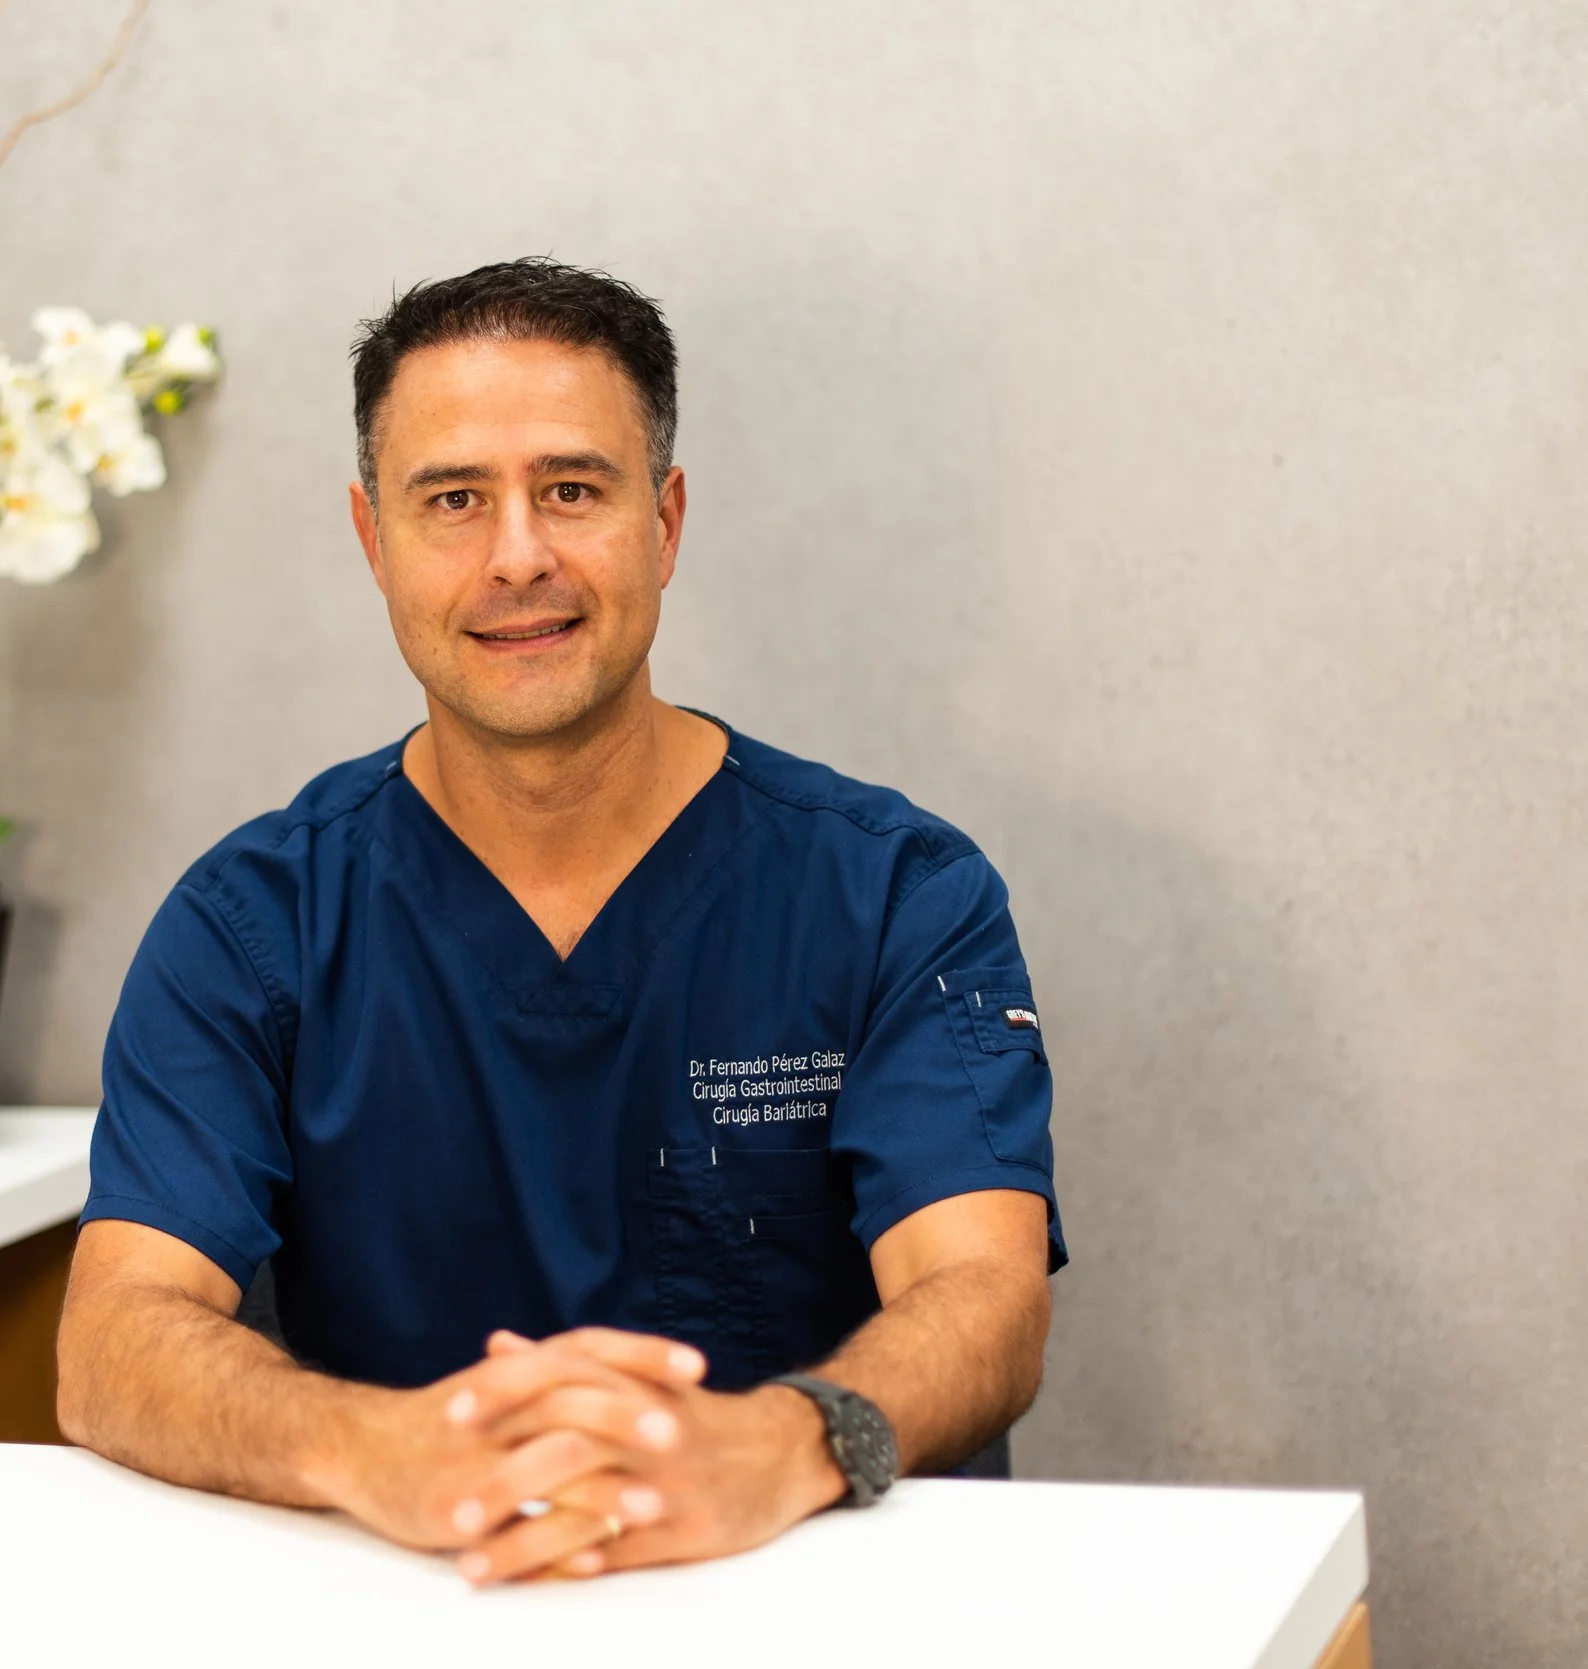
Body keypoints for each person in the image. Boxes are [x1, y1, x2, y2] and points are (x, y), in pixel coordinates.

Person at [55, 258, 1065, 1586]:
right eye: (454, 500)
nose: (519, 555)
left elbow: (986, 1297)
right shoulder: (252, 927)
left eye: (573, 490)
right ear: (373, 540)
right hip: (424, 1596)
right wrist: (375, 1449)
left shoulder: (894, 894)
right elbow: (114, 1336)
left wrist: (783, 1446)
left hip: (825, 1594)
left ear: (667, 521)